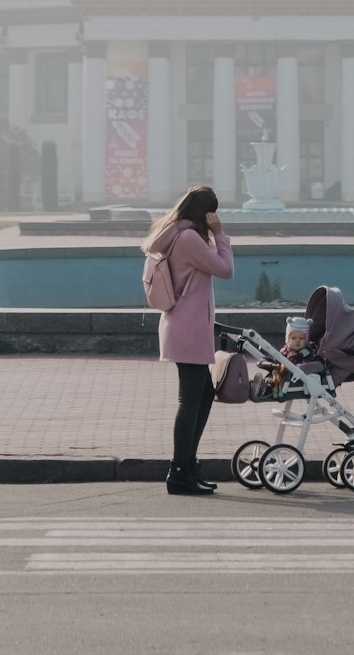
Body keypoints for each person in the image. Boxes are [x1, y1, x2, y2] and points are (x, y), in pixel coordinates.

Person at [141, 186, 233, 497]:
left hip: (183, 325)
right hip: (189, 328)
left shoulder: (176, 234)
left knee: (203, 395)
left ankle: (187, 466)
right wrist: (221, 236)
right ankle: (179, 471)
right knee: (191, 400)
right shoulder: (191, 239)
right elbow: (225, 270)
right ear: (207, 213)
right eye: (214, 214)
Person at [263, 315, 319, 398]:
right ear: (287, 339)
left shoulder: (307, 351)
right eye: (293, 338)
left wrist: (295, 357)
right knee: (269, 364)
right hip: (282, 371)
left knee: (281, 369)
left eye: (301, 338)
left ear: (306, 340)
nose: (297, 341)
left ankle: (273, 387)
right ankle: (268, 384)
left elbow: (301, 361)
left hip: (295, 378)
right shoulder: (285, 350)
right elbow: (278, 360)